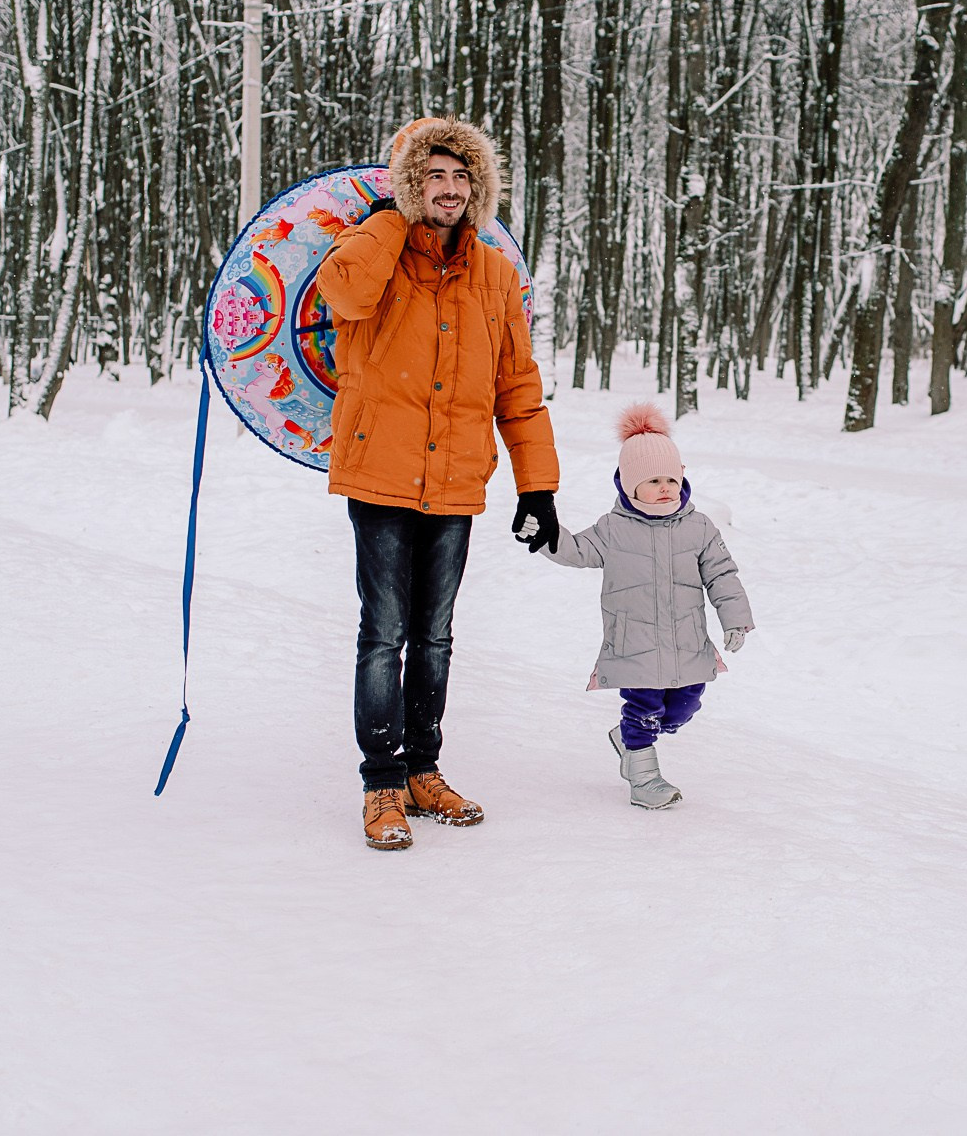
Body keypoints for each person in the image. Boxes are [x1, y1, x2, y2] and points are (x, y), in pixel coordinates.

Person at [315, 116, 560, 850]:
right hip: (380, 474)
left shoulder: (494, 273)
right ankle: (381, 783)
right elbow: (346, 296)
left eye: (461, 177)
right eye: (434, 176)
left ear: (477, 188)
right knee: (382, 633)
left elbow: (517, 383)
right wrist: (392, 218)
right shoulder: (371, 251)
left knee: (434, 638)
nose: (449, 190)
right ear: (410, 185)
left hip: (455, 480)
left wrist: (537, 486)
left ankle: (424, 770)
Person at [543, 403, 753, 809]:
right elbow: (579, 550)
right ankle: (644, 777)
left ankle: (626, 738)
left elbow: (722, 575)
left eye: (672, 479)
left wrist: (736, 620)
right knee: (643, 707)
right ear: (628, 484)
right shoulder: (613, 527)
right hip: (633, 640)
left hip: (687, 641)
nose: (665, 488)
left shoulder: (699, 527)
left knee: (683, 706)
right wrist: (548, 535)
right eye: (654, 480)